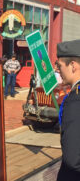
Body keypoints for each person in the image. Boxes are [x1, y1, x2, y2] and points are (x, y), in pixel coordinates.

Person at [55, 39, 80, 181]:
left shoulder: (76, 100)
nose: (58, 71)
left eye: (59, 66)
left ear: (72, 65)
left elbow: (72, 159)